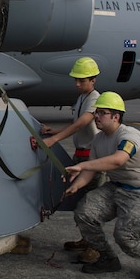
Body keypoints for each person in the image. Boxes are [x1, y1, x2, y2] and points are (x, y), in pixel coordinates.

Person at [64, 91, 140, 279]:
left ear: (116, 116)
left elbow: (117, 160)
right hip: (116, 186)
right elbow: (91, 171)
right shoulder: (98, 139)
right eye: (97, 112)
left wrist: (82, 165)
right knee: (84, 213)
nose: (97, 116)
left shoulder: (130, 136)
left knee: (125, 235)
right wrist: (75, 186)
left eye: (102, 112)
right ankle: (107, 258)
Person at [40, 56, 102, 264]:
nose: (77, 83)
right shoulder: (82, 98)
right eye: (75, 79)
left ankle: (95, 248)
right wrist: (54, 131)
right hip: (81, 156)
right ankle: (86, 239)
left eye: (82, 80)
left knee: (89, 205)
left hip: (92, 159)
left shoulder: (95, 99)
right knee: (80, 201)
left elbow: (81, 124)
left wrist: (55, 139)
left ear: (93, 80)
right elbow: (75, 124)